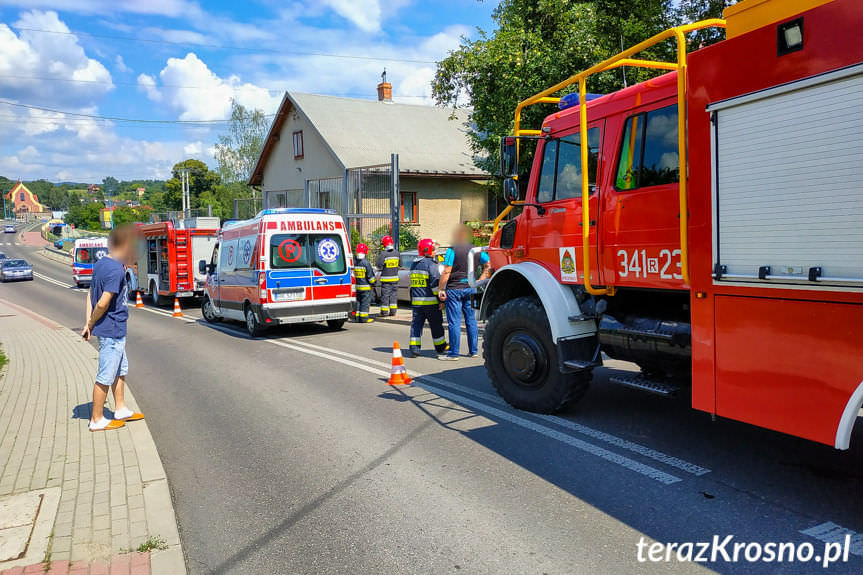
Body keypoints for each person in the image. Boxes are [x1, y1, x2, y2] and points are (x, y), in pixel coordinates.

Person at [81, 225, 144, 431]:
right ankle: (97, 419)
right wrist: (91, 323)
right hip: (112, 330)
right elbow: (102, 302)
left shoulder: (101, 264)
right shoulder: (116, 270)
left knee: (119, 369)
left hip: (113, 330)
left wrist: (87, 322)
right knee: (106, 375)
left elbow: (91, 294)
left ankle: (120, 409)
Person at [438, 224, 490, 360]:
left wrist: (441, 288)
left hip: (454, 289)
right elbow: (488, 265)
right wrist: (480, 280)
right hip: (472, 288)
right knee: (471, 320)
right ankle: (473, 351)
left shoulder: (452, 250)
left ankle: (453, 353)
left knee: (454, 322)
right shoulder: (476, 250)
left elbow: (447, 270)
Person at [407, 238, 448, 358]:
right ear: (427, 251)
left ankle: (414, 348)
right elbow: (435, 285)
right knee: (436, 325)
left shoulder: (414, 265)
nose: (435, 252)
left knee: (416, 326)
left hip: (417, 303)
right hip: (430, 303)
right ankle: (440, 347)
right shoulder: (431, 265)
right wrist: (440, 300)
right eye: (434, 249)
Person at [375, 234, 400, 317]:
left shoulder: (383, 254)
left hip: (386, 280)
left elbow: (378, 265)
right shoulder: (397, 253)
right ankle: (393, 312)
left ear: (384, 244)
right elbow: (400, 264)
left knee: (385, 296)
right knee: (393, 295)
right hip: (395, 279)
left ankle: (384, 312)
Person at [353, 243, 376, 323]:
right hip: (366, 287)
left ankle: (357, 317)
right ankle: (364, 318)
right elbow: (370, 277)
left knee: (358, 302)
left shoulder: (354, 261)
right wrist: (374, 283)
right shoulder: (366, 263)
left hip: (357, 287)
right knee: (365, 303)